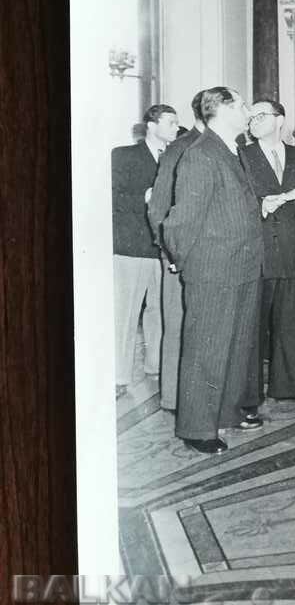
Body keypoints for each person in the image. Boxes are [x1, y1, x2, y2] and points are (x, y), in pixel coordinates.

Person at [162, 88, 263, 454]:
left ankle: (223, 413)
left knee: (233, 348)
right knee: (206, 350)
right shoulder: (200, 154)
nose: (249, 110)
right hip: (213, 271)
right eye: (242, 104)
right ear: (221, 110)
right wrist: (186, 261)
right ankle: (196, 428)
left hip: (241, 267)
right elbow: (179, 222)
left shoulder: (232, 149)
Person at [242, 100, 295, 404]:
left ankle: (288, 387)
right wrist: (263, 204)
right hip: (258, 254)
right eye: (251, 117)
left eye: (261, 116)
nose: (254, 121)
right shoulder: (241, 156)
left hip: (294, 253)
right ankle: (249, 397)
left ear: (280, 120)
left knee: (289, 324)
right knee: (254, 328)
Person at [111, 103, 179, 396]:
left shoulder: (176, 157)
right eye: (171, 122)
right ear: (152, 125)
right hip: (132, 246)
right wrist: (145, 197)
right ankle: (118, 376)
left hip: (163, 247)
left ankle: (157, 366)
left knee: (160, 312)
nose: (177, 128)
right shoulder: (123, 155)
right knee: (126, 315)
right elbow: (111, 197)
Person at [147, 92, 204, 410]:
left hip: (207, 256)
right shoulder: (181, 149)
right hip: (179, 257)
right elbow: (158, 209)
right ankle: (171, 396)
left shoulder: (218, 147)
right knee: (177, 326)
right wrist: (170, 253)